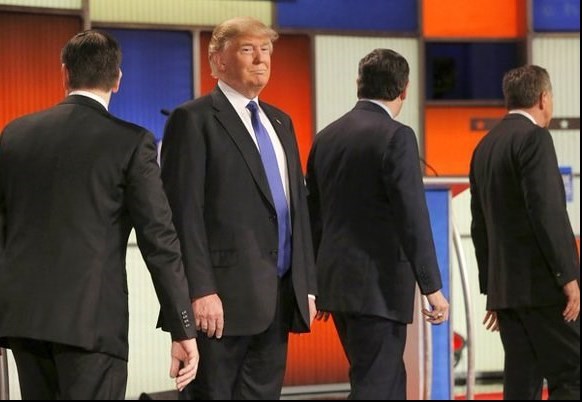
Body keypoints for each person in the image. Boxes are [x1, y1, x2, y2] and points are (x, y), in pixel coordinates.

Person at [0, 30, 199, 399]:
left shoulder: (14, 134)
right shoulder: (132, 142)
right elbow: (160, 241)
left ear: (65, 73)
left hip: (25, 323)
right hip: (92, 326)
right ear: (117, 79)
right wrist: (182, 327)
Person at [160, 17, 317, 400]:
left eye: (266, 50)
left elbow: (297, 208)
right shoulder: (193, 120)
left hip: (277, 300)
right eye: (248, 50)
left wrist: (307, 285)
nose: (261, 59)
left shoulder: (281, 121)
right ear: (218, 60)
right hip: (219, 307)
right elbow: (183, 215)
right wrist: (200, 291)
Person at [305, 48, 449, 400]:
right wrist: (432, 287)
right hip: (379, 289)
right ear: (404, 89)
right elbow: (412, 216)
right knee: (377, 385)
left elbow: (313, 217)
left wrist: (315, 284)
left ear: (360, 84)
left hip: (338, 286)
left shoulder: (326, 137)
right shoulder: (397, 136)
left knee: (384, 380)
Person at [470, 65, 580, 400]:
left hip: (507, 293)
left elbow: (479, 224)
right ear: (543, 98)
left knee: (521, 382)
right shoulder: (535, 138)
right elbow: (546, 212)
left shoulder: (484, 147)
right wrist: (568, 276)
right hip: (543, 289)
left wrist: (492, 289)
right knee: (573, 375)